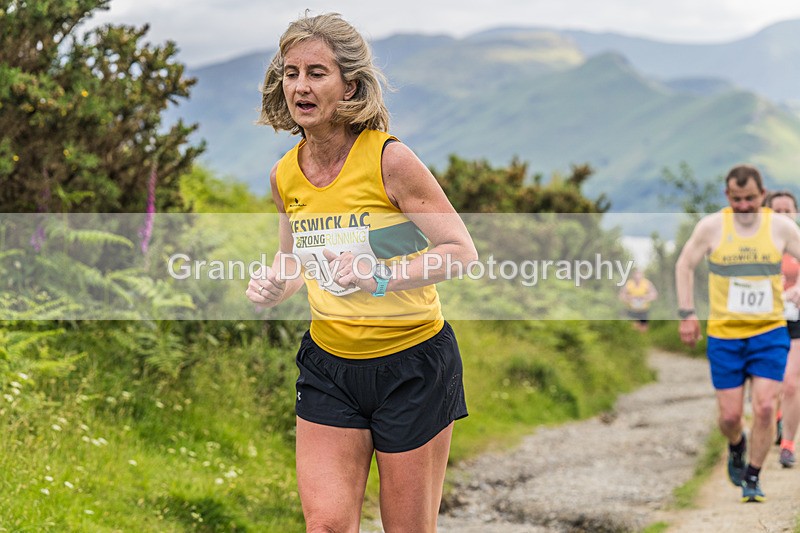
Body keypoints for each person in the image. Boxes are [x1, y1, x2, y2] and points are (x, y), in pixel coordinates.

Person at [246, 13, 478, 532]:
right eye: (291, 73)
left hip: (412, 364)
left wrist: (380, 277)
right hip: (330, 366)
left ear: (349, 84)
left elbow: (460, 250)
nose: (300, 86)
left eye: (317, 73)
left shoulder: (389, 159)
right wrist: (273, 284)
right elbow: (292, 260)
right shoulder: (285, 174)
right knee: (326, 525)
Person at [675, 164, 800, 503]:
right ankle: (736, 445)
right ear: (728, 196)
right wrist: (687, 313)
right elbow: (685, 264)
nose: (744, 205)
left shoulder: (780, 227)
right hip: (725, 335)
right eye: (737, 198)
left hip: (769, 332)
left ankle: (753, 476)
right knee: (730, 417)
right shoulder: (712, 227)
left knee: (763, 408)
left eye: (751, 198)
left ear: (763, 195)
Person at [765, 190, 800, 468]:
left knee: (791, 383)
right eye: (776, 210)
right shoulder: (759, 244)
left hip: (795, 319)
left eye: (787, 210)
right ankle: (776, 417)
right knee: (772, 386)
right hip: (765, 320)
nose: (783, 215)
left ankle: (788, 445)